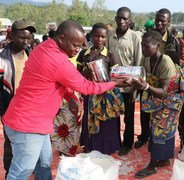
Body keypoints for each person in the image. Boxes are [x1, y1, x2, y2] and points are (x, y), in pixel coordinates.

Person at [2, 20, 129, 179]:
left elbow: (55, 81)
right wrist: (114, 83)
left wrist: (70, 99)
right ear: (61, 38)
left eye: (80, 45)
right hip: (28, 126)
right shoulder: (58, 61)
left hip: (32, 122)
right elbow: (87, 87)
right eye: (75, 45)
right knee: (21, 172)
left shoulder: (43, 48)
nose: (77, 50)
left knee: (43, 163)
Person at [132, 30, 184, 178]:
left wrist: (145, 87)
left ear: (157, 46)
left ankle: (152, 165)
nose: (142, 49)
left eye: (146, 46)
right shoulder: (146, 59)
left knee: (160, 129)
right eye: (141, 46)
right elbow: (143, 77)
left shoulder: (166, 62)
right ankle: (163, 159)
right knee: (157, 127)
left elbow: (164, 91)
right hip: (158, 100)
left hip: (170, 100)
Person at [78, 22, 124, 155]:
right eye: (96, 36)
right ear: (91, 36)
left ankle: (107, 148)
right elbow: (77, 75)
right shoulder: (83, 54)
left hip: (105, 95)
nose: (99, 39)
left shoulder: (110, 55)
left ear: (106, 38)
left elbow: (116, 76)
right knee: (89, 121)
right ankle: (90, 145)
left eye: (103, 37)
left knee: (106, 123)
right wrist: (85, 73)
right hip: (89, 93)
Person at [0, 19, 36, 178]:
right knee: (11, 145)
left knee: (29, 144)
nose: (26, 42)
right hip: (9, 109)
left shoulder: (31, 55)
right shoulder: (3, 60)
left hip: (29, 109)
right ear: (12, 35)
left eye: (29, 38)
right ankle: (10, 173)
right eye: (22, 38)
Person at [107, 6, 143, 156]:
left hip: (129, 86)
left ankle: (127, 144)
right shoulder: (109, 36)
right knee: (112, 116)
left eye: (125, 19)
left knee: (128, 118)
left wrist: (135, 89)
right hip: (113, 85)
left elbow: (139, 63)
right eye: (119, 18)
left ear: (130, 21)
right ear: (115, 18)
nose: (121, 21)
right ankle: (114, 142)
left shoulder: (135, 38)